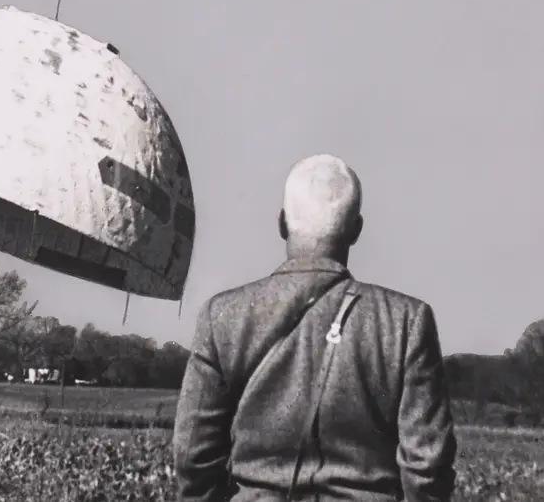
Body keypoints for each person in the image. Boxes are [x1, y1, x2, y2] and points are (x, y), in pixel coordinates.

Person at [173, 154, 456, 502]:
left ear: (281, 223)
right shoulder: (407, 321)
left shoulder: (221, 316)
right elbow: (428, 467)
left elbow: (192, 457)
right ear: (356, 230)